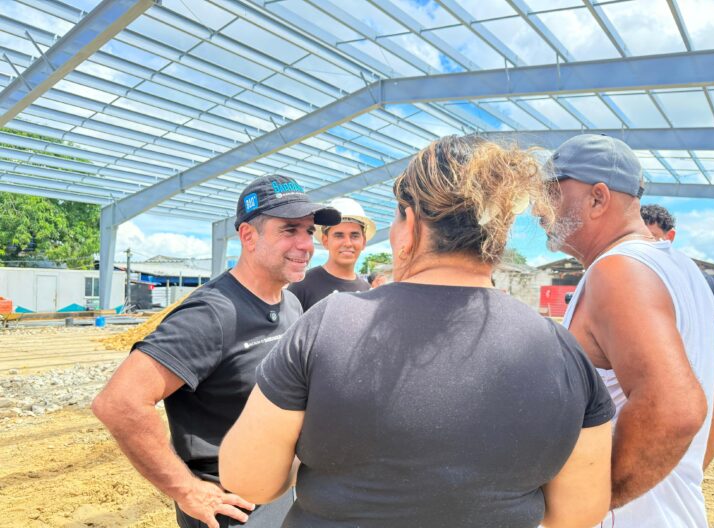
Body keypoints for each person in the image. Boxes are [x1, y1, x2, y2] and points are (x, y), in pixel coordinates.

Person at [219, 135, 614, 528]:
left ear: (409, 224)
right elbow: (578, 513)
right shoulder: (561, 350)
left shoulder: (326, 323)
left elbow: (249, 480)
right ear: (499, 230)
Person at [92, 176, 340, 528]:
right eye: (289, 230)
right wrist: (188, 490)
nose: (306, 245)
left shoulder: (289, 303)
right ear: (248, 236)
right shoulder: (212, 314)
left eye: (309, 231)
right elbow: (119, 403)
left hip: (277, 493)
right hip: (230, 509)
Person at [540, 134, 714, 526]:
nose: (539, 211)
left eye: (551, 194)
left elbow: (675, 410)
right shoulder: (685, 270)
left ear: (598, 198)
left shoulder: (617, 271)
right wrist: (688, 469)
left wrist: (593, 502)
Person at [640, 203, 714, 470]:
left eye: (654, 240)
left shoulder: (703, 282)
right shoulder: (633, 274)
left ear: (670, 237)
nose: (647, 249)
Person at [288, 197, 375, 311]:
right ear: (325, 241)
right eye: (339, 235)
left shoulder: (367, 290)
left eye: (354, 236)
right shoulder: (303, 285)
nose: (348, 243)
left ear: (363, 242)